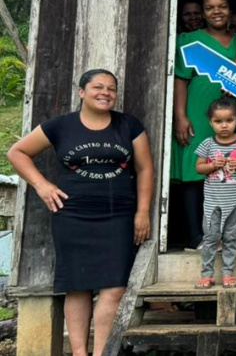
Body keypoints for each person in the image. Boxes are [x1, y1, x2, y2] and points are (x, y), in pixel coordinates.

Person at [6, 69, 154, 356]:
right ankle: (78, 353)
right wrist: (42, 185)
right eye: (98, 87)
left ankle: (101, 353)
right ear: (82, 91)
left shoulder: (129, 125)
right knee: (77, 286)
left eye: (111, 88)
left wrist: (143, 211)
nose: (105, 93)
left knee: (114, 286)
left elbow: (145, 168)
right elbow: (17, 153)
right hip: (72, 215)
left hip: (118, 215)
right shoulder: (61, 126)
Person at [172, 0, 236, 251]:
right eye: (210, 8)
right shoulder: (188, 40)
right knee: (194, 170)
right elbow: (180, 79)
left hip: (230, 114)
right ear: (203, 12)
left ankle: (222, 236)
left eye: (222, 6)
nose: (217, 12)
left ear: (230, 9)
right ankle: (194, 237)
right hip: (197, 111)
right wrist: (180, 116)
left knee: (226, 172)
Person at [194, 97, 236, 289]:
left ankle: (228, 273)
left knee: (232, 237)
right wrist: (212, 165)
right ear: (210, 122)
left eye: (229, 120)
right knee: (211, 237)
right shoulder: (207, 144)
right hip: (213, 200)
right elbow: (198, 168)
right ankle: (206, 274)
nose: (224, 125)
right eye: (218, 121)